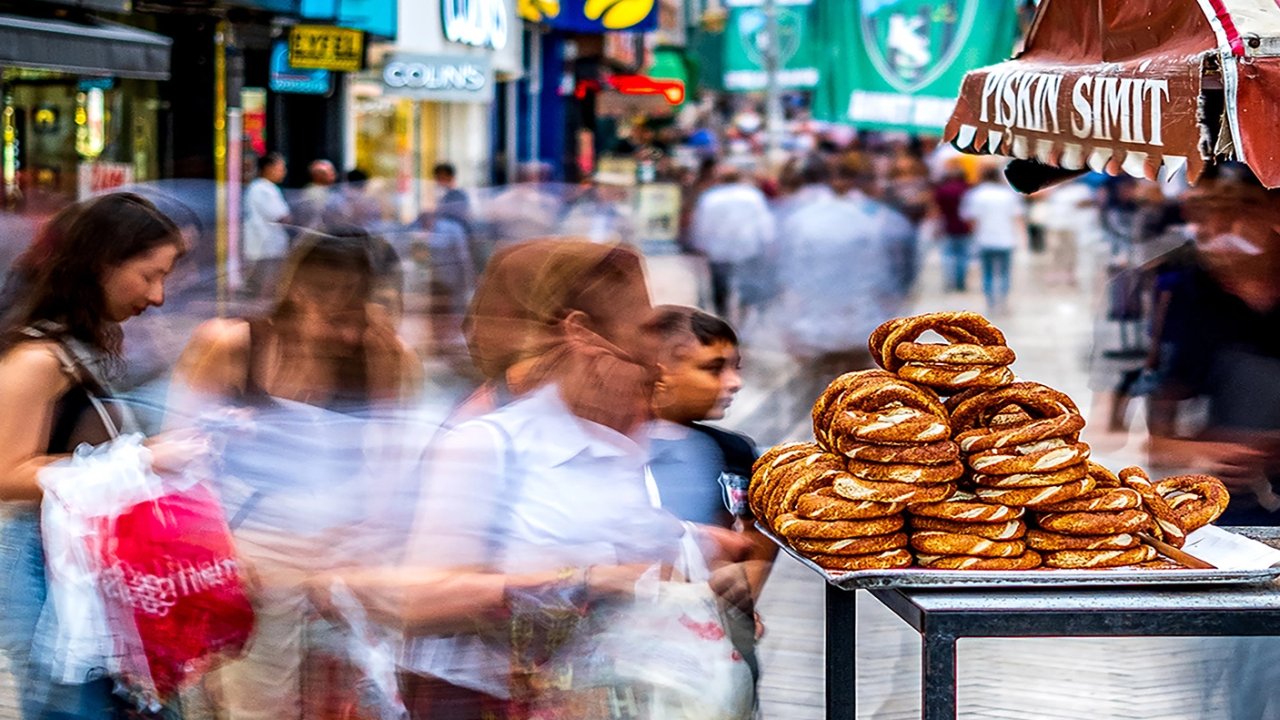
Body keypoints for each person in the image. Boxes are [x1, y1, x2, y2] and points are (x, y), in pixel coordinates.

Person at [331, 241, 753, 719]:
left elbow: (617, 548)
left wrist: (698, 554)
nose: (655, 353)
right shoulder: (489, 443)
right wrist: (581, 584)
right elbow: (417, 599)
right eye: (641, 327)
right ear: (582, 333)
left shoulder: (614, 444)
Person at [172, 227, 423, 720]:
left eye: (363, 310)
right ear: (300, 291)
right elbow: (179, 459)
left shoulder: (386, 355)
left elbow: (393, 471)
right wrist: (217, 556)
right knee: (251, 704)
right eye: (338, 310)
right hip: (244, 550)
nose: (350, 331)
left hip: (340, 556)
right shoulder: (231, 344)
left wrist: (362, 547)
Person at [0, 193, 194, 720]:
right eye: (148, 275)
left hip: (80, 568)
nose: (157, 297)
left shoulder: (75, 347)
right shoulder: (38, 359)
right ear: (102, 264)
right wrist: (139, 460)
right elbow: (5, 474)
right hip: (46, 573)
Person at [647, 305, 778, 687]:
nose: (734, 382)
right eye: (714, 368)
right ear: (659, 374)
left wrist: (735, 602)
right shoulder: (616, 448)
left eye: (736, 367)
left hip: (716, 651)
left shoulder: (734, 451)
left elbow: (761, 530)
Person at [689, 163, 776, 322]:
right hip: (747, 248)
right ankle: (742, 322)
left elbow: (702, 224)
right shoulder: (752, 196)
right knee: (746, 287)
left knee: (720, 289)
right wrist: (768, 243)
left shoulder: (710, 197)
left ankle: (724, 321)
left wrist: (699, 244)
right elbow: (764, 223)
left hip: (719, 250)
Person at [961, 164, 1027, 314]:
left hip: (984, 238)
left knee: (987, 272)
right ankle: (1002, 301)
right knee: (1004, 272)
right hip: (1006, 238)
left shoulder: (975, 194)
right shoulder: (1008, 195)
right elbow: (1017, 217)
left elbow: (970, 218)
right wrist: (1021, 237)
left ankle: (990, 302)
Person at [243, 152, 292, 298]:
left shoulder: (264, 188)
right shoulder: (263, 189)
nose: (283, 172)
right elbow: (282, 217)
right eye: (280, 168)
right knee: (267, 286)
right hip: (266, 246)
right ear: (269, 168)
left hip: (268, 245)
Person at [933, 160, 974, 292]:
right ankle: (960, 281)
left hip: (947, 226)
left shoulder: (941, 190)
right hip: (964, 227)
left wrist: (936, 226)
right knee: (963, 256)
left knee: (948, 256)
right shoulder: (967, 189)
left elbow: (936, 210)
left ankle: (949, 281)